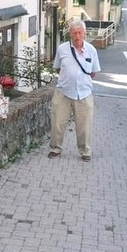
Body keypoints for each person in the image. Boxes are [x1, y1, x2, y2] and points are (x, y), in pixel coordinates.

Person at [48, 20, 101, 162]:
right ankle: (55, 148)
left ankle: (85, 151)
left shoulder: (91, 50)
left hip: (84, 93)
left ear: (84, 33)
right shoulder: (62, 49)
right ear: (70, 34)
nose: (77, 36)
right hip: (63, 92)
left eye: (79, 32)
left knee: (85, 125)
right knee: (57, 122)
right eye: (74, 33)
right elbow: (58, 68)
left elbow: (94, 72)